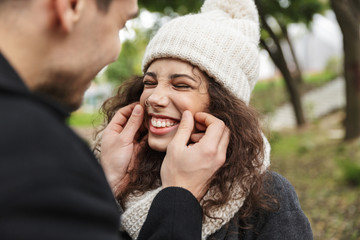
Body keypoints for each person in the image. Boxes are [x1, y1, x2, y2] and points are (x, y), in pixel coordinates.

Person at [0, 0, 229, 239]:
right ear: (71, 6)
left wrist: (106, 183)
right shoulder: (34, 155)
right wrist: (179, 196)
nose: (115, 52)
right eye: (121, 25)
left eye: (181, 85)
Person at [98, 0, 314, 239]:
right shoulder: (117, 181)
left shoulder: (269, 195)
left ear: (223, 105)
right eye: (149, 83)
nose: (154, 98)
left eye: (181, 85)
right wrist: (106, 184)